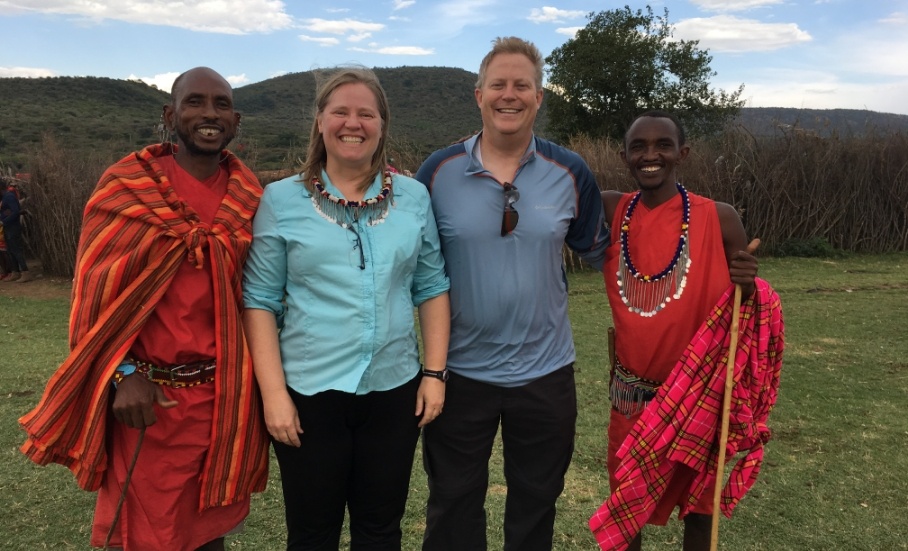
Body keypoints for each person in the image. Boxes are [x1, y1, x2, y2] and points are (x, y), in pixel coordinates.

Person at [19, 67, 269, 551]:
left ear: (235, 120)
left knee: (210, 526)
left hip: (227, 399)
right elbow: (95, 297)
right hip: (150, 398)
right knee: (144, 534)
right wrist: (124, 372)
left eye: (220, 104)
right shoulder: (127, 188)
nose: (209, 114)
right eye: (195, 102)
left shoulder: (251, 196)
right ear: (169, 114)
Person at [242, 67, 451, 550]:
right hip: (309, 395)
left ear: (381, 124)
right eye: (340, 112)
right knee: (313, 532)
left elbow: (432, 285)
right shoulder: (281, 200)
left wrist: (434, 375)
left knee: (380, 529)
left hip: (394, 390)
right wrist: (274, 395)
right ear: (320, 121)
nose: (352, 123)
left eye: (365, 113)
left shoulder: (414, 197)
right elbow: (259, 300)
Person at [414, 37, 609, 551]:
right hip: (458, 374)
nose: (510, 94)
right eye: (498, 84)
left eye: (522, 85)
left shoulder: (571, 172)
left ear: (539, 98)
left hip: (545, 373)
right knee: (452, 505)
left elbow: (605, 250)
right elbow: (404, 258)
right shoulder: (437, 172)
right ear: (478, 95)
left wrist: (700, 234)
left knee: (535, 505)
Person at [589, 111, 781, 551]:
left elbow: (743, 303)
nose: (651, 155)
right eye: (639, 147)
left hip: (702, 397)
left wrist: (750, 284)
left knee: (700, 507)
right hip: (632, 395)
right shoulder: (611, 208)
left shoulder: (721, 218)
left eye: (663, 145)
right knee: (626, 505)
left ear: (683, 153)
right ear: (624, 156)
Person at [0, 179, 30, 282]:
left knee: (16, 249)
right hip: (8, 226)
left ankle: (25, 272)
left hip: (13, 226)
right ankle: (15, 272)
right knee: (10, 250)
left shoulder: (9, 197)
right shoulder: (4, 198)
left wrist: (4, 221)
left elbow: (15, 212)